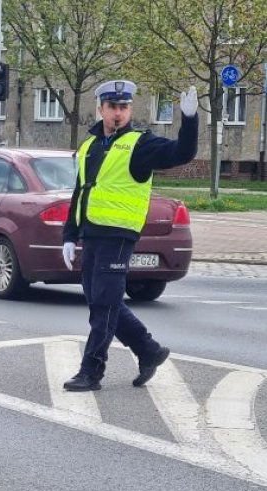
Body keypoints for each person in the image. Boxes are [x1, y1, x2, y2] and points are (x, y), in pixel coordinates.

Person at [61, 80, 198, 392]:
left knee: (103, 305)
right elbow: (80, 192)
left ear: (130, 109)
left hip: (119, 235)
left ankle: (91, 371)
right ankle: (149, 350)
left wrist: (189, 120)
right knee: (101, 299)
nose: (118, 113)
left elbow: (182, 153)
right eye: (112, 107)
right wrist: (69, 235)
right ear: (101, 108)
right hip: (92, 233)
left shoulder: (141, 144)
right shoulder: (90, 145)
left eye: (124, 107)